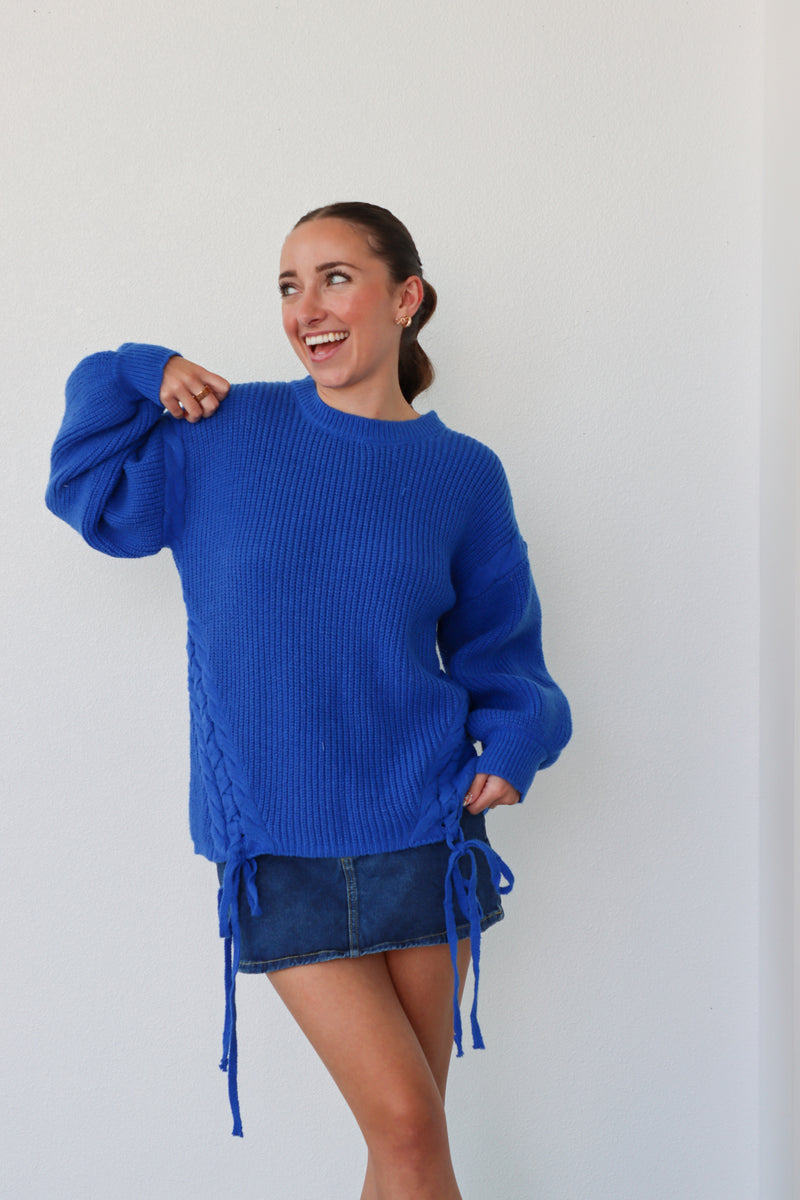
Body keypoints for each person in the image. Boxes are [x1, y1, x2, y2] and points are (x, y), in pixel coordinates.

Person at [45, 201, 571, 1200]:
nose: (305, 307)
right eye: (288, 285)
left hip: (423, 832)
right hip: (276, 845)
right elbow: (85, 491)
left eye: (334, 277)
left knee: (407, 1144)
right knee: (410, 1131)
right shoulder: (218, 432)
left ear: (403, 298)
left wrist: (509, 741)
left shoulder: (460, 473)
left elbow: (500, 643)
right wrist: (136, 369)